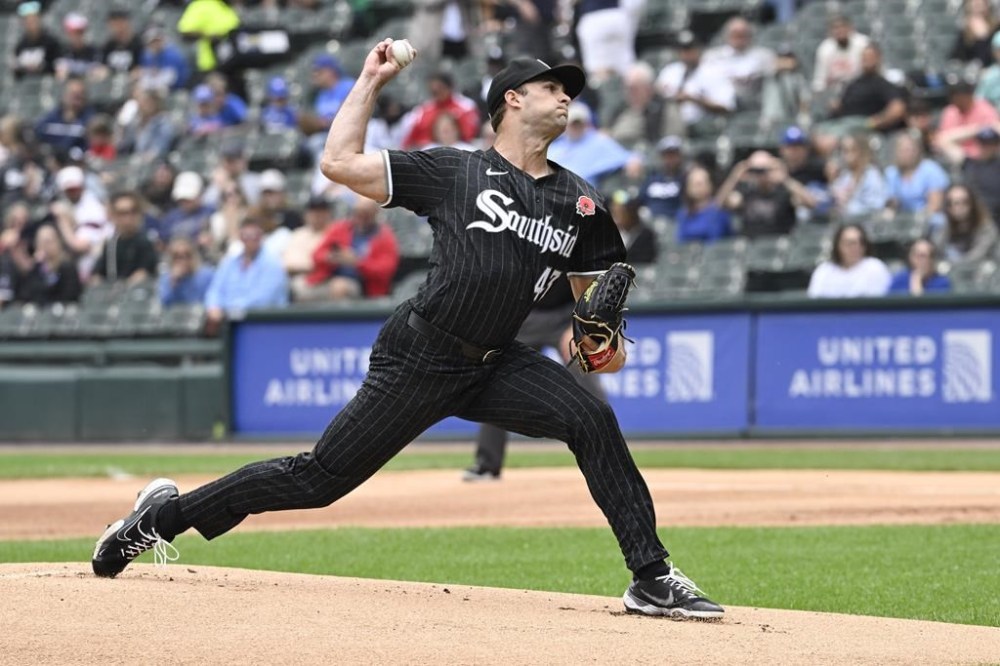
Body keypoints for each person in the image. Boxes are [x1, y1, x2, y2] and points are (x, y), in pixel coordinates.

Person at [91, 44, 725, 621]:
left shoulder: (581, 203)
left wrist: (600, 346)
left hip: (496, 361)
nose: (566, 96)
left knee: (592, 417)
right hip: (421, 354)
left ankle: (651, 576)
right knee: (316, 480)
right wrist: (370, 78)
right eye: (552, 86)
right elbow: (338, 162)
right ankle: (162, 519)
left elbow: (596, 345)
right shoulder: (455, 171)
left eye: (569, 90)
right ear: (512, 98)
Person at [303, 197, 400, 300]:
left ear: (374, 213)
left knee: (339, 287)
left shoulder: (384, 236)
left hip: (365, 287)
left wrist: (357, 262)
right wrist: (331, 257)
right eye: (357, 212)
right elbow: (316, 255)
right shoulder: (341, 228)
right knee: (300, 287)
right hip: (330, 277)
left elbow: (385, 271)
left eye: (365, 213)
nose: (360, 216)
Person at [204, 216, 289, 329]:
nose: (250, 239)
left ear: (261, 236)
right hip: (229, 325)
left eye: (255, 235)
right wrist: (213, 307)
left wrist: (226, 311)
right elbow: (215, 290)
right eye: (246, 235)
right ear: (240, 237)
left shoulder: (273, 264)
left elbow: (263, 300)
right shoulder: (229, 262)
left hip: (265, 325)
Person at [655, 31, 735, 135]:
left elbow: (726, 106)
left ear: (698, 49)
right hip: (670, 124)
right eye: (682, 50)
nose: (686, 54)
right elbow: (656, 92)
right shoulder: (670, 71)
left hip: (704, 125)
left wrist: (693, 99)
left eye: (689, 49)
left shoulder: (714, 72)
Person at [717, 150, 799, 238]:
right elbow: (720, 203)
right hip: (751, 245)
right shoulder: (746, 193)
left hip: (780, 244)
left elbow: (810, 203)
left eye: (763, 170)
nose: (760, 175)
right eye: (756, 171)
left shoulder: (783, 191)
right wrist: (735, 176)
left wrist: (785, 178)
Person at [547, 102, 634, 185]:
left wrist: (633, 162)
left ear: (586, 124)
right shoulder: (555, 147)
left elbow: (628, 158)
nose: (576, 127)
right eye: (573, 124)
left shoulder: (598, 142)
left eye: (579, 123)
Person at [702, 17, 776, 108]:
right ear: (727, 35)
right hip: (721, 104)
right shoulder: (713, 56)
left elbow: (780, 66)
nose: (738, 36)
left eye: (742, 33)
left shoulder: (763, 55)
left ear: (750, 35)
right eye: (735, 33)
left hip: (756, 101)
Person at [91, 191, 158, 285]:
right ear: (114, 216)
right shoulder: (111, 244)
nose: (128, 218)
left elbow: (143, 273)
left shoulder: (146, 243)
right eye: (122, 214)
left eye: (132, 212)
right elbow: (97, 274)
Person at [401, 72, 480, 150]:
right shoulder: (422, 111)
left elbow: (470, 135)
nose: (436, 91)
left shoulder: (466, 106)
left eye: (440, 88)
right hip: (427, 153)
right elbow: (408, 141)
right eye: (433, 90)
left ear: (449, 87)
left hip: (458, 150)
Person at [807, 223, 891, 297]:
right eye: (850, 243)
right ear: (838, 246)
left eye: (861, 242)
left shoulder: (875, 268)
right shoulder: (824, 271)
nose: (856, 247)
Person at [883, 132, 949, 223]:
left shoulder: (930, 169)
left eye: (909, 150)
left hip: (927, 217)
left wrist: (917, 219)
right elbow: (891, 201)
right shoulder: (892, 173)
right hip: (903, 218)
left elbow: (935, 205)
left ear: (917, 151)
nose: (906, 154)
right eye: (902, 150)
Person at [935, 81, 1000, 166]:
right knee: (943, 140)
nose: (958, 102)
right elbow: (943, 139)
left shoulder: (984, 108)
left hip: (987, 155)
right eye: (955, 99)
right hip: (963, 159)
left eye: (961, 98)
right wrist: (976, 129)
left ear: (969, 96)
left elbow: (995, 129)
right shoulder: (950, 112)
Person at [15, 225, 82, 305]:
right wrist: (33, 266)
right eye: (41, 242)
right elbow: (26, 295)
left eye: (48, 242)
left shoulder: (67, 267)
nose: (44, 246)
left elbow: (70, 296)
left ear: (58, 242)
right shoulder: (35, 268)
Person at [934, 184, 999, 266]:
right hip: (952, 272)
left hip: (979, 273)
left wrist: (951, 265)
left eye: (964, 202)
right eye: (954, 203)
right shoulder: (945, 226)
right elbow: (936, 250)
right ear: (948, 207)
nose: (959, 207)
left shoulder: (986, 228)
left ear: (972, 204)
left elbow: (976, 257)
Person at [829, 132, 889, 218]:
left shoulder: (872, 175)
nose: (845, 156)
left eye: (849, 151)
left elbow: (876, 206)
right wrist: (831, 179)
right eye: (844, 151)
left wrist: (848, 207)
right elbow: (837, 200)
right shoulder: (846, 175)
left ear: (861, 152)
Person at [285, 195, 334, 300]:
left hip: (328, 280)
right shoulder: (298, 234)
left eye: (321, 211)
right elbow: (289, 265)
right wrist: (315, 265)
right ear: (306, 214)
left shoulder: (335, 231)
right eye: (314, 211)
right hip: (302, 280)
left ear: (328, 213)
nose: (317, 215)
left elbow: (333, 263)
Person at [34, 77, 94, 154]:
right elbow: (37, 137)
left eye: (80, 94)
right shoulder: (49, 118)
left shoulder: (92, 121)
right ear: (64, 95)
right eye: (73, 94)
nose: (76, 98)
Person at [117, 89, 177, 165]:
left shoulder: (163, 121)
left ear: (154, 103)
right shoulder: (138, 121)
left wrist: (147, 158)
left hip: (157, 163)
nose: (143, 106)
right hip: (139, 161)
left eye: (146, 102)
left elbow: (161, 147)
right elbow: (126, 143)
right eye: (141, 103)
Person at [812, 15, 870, 94]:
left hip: (861, 89)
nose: (840, 31)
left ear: (851, 28)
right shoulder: (825, 49)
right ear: (830, 32)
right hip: (835, 92)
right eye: (836, 28)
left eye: (843, 27)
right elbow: (820, 80)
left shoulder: (863, 44)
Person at [677, 165, 732, 243]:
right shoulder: (683, 213)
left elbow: (715, 241)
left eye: (700, 184)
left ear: (710, 185)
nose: (697, 188)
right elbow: (680, 241)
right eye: (693, 184)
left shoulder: (719, 213)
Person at [637, 135, 686, 220]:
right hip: (651, 221)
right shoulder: (651, 179)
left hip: (675, 221)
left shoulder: (685, 179)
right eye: (667, 155)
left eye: (673, 155)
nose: (670, 159)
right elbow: (640, 200)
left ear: (680, 157)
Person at [159, 237, 215, 306]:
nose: (183, 261)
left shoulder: (207, 275)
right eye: (177, 256)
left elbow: (214, 301)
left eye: (187, 255)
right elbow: (165, 304)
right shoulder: (167, 278)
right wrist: (173, 282)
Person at [11, 1, 60, 79]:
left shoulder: (51, 43)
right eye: (27, 20)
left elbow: (58, 68)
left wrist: (42, 67)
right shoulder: (21, 45)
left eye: (33, 19)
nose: (31, 23)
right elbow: (17, 73)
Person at [963, 127, 1000, 223]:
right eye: (983, 143)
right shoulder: (969, 163)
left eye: (991, 144)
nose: (986, 147)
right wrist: (978, 128)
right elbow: (946, 140)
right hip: (975, 217)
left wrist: (993, 126)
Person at [609, 189, 657, 264]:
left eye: (621, 213)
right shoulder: (608, 235)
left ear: (633, 213)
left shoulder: (646, 235)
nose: (616, 218)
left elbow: (645, 262)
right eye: (614, 212)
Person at [138, 25, 191, 92]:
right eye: (153, 42)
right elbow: (145, 75)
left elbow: (171, 79)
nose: (155, 44)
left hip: (176, 89)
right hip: (155, 87)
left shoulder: (172, 55)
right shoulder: (147, 56)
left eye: (158, 41)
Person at [950, 0, 998, 66]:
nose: (978, 8)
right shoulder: (965, 30)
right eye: (975, 5)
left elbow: (993, 54)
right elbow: (957, 55)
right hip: (972, 69)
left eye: (980, 4)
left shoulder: (996, 27)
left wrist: (984, 36)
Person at [55, 13, 100, 81]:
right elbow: (60, 76)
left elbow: (98, 74)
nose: (77, 36)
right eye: (73, 32)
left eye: (80, 32)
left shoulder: (94, 51)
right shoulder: (62, 52)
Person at [100, 8, 143, 77]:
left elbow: (141, 67)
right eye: (114, 24)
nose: (117, 27)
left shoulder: (138, 44)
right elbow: (103, 66)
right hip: (112, 80)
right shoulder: (108, 45)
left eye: (120, 23)